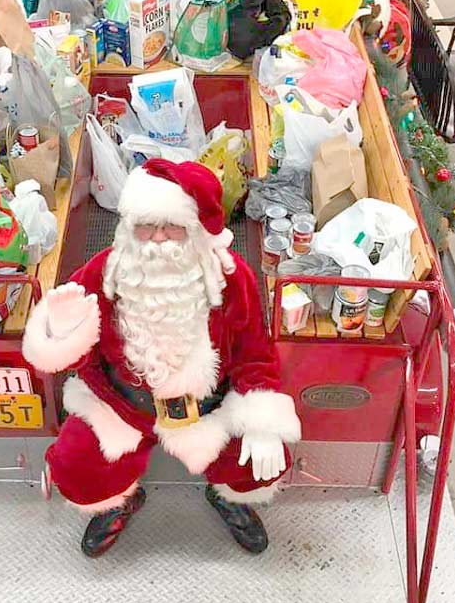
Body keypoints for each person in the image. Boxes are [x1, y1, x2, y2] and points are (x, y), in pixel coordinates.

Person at [23, 159, 301, 557]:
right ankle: (121, 498)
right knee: (75, 467)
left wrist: (260, 421)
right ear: (128, 227)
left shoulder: (232, 277)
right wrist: (61, 332)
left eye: (172, 226)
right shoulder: (103, 272)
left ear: (197, 230)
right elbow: (64, 355)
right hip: (121, 406)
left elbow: (254, 352)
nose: (157, 239)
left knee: (263, 461)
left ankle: (228, 497)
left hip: (207, 409)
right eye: (145, 225)